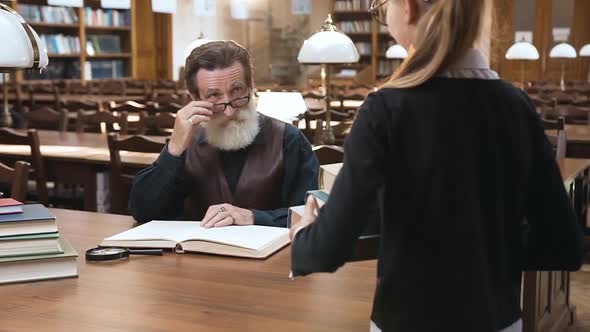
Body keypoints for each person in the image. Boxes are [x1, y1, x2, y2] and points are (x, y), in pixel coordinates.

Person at [289, 0, 584, 331]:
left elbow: (328, 249)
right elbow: (563, 246)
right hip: (497, 319)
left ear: (409, 7)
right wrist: (488, 251)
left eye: (382, 6)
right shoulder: (515, 105)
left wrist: (303, 235)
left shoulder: (384, 110)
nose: (383, 15)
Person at [130, 41, 319, 228]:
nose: (230, 112)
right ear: (195, 99)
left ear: (251, 86)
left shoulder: (288, 139)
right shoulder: (187, 143)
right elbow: (144, 213)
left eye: (237, 90)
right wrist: (173, 150)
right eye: (214, 96)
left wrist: (255, 217)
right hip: (197, 255)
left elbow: (312, 214)